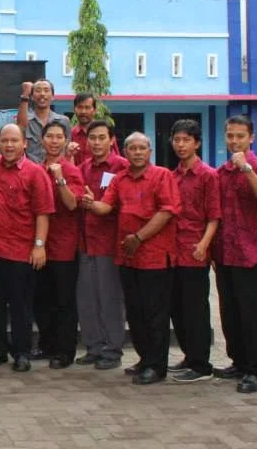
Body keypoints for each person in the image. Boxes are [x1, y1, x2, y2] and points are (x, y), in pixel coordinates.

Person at [83, 132, 180, 386]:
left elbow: (166, 212)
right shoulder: (120, 179)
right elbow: (106, 206)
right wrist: (91, 203)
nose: (137, 153)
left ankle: (157, 366)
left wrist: (139, 236)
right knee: (135, 312)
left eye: (142, 148)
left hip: (154, 256)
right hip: (127, 257)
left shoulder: (162, 175)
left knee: (154, 313)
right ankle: (145, 359)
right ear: (125, 152)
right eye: (132, 149)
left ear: (150, 151)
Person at [0, 124, 54, 372]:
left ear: (24, 144)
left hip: (21, 250)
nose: (9, 145)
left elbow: (43, 212)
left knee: (21, 306)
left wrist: (39, 245)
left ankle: (21, 352)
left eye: (14, 141)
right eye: (5, 141)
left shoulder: (35, 173)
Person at [213, 115, 257, 393]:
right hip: (225, 252)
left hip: (251, 252)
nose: (234, 141)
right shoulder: (222, 173)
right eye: (230, 135)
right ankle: (238, 361)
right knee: (230, 310)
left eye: (240, 136)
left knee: (253, 312)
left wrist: (247, 169)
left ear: (251, 138)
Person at [168, 119, 221, 383]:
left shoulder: (208, 175)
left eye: (186, 140)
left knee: (195, 309)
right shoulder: (172, 176)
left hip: (194, 251)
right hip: (173, 251)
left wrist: (204, 244)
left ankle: (201, 364)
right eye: (177, 140)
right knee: (176, 307)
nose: (181, 145)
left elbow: (214, 216)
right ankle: (189, 355)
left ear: (197, 143)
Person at [76, 119, 129, 370]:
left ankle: (112, 349)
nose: (96, 143)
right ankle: (93, 347)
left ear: (112, 140)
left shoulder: (122, 167)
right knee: (87, 298)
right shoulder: (83, 167)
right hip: (86, 242)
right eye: (92, 138)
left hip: (110, 243)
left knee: (110, 299)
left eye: (101, 138)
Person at [33, 120, 85, 369]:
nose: (54, 141)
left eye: (58, 137)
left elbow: (73, 204)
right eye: (49, 136)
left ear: (65, 141)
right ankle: (47, 344)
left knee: (64, 301)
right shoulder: (35, 169)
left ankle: (65, 351)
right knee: (42, 299)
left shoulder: (70, 170)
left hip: (64, 245)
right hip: (39, 244)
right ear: (41, 140)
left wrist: (60, 179)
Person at [21, 80, 70, 164]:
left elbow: (67, 149)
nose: (42, 94)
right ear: (32, 96)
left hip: (56, 168)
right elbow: (20, 127)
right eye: (38, 90)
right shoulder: (25, 120)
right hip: (32, 169)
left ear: (53, 96)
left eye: (46, 90)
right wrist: (25, 96)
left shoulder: (63, 121)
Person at [68, 93, 119, 166]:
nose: (83, 111)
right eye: (80, 107)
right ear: (74, 109)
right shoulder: (70, 134)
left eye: (87, 107)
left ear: (95, 110)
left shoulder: (105, 132)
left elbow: (116, 159)